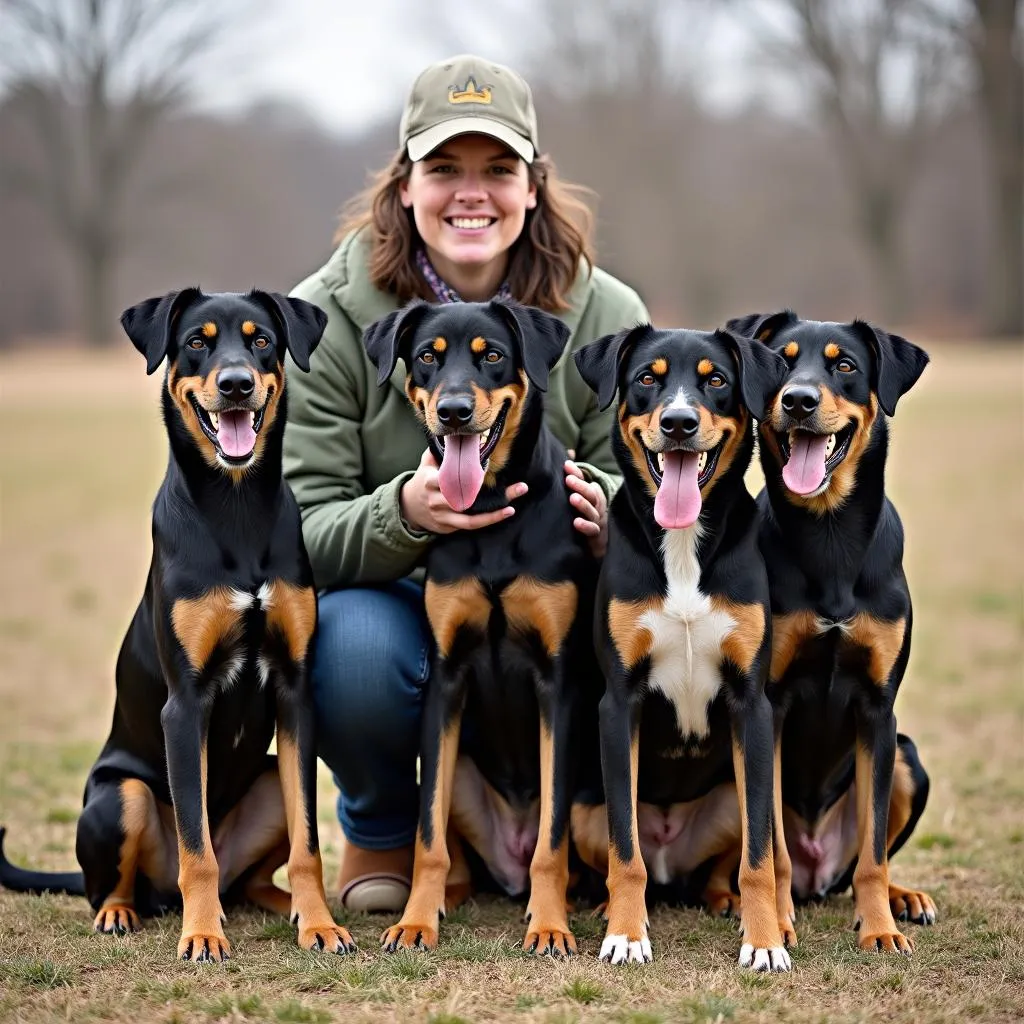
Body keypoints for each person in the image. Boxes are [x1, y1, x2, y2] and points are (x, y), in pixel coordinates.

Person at [282, 53, 649, 913]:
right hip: (401, 596)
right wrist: (405, 513)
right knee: (355, 651)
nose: (471, 193)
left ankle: (609, 822)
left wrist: (608, 509)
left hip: (549, 589)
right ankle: (381, 828)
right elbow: (294, 526)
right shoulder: (331, 317)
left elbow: (648, 474)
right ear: (405, 185)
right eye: (444, 168)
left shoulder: (606, 316)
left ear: (533, 186)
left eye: (498, 170)